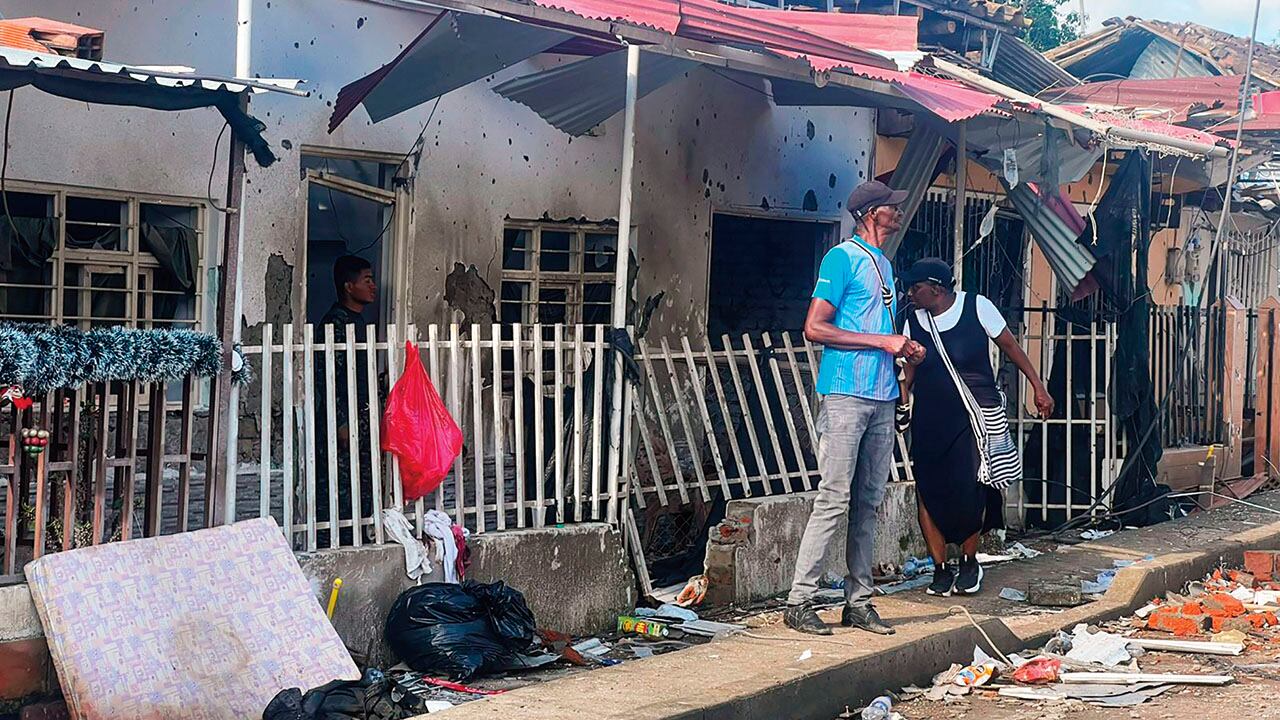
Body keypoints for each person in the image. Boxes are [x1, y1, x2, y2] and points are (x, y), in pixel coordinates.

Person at [783, 180, 926, 637]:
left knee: (868, 501)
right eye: (891, 207)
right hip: (845, 392)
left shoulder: (884, 263)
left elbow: (877, 330)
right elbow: (814, 327)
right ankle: (799, 600)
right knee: (834, 498)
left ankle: (859, 601)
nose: (898, 212)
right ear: (870, 214)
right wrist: (883, 341)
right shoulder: (841, 258)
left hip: (881, 394)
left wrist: (901, 349)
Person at [898, 257, 1053, 596]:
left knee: (971, 489)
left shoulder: (977, 307)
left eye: (915, 287)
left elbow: (1011, 347)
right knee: (928, 491)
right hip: (931, 419)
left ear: (936, 289)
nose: (909, 293)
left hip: (974, 418)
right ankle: (940, 569)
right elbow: (907, 373)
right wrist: (901, 399)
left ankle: (969, 562)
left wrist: (1037, 386)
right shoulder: (912, 320)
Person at [315, 255, 378, 546]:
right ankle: (334, 543)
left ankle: (356, 541)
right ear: (348, 286)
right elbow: (328, 378)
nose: (373, 286)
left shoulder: (359, 322)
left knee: (362, 487)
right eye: (367, 280)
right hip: (342, 421)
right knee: (340, 488)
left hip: (361, 418)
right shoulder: (335, 324)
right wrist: (341, 421)